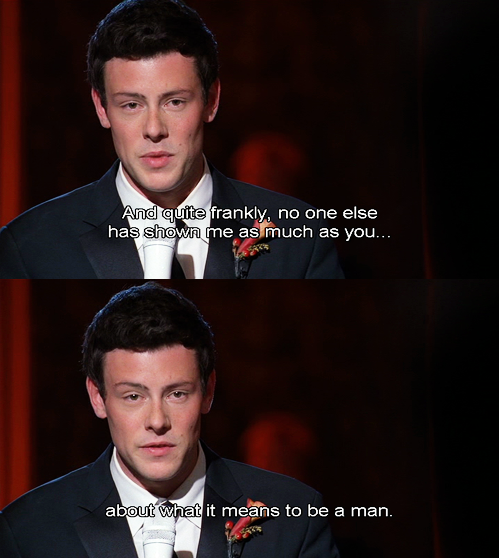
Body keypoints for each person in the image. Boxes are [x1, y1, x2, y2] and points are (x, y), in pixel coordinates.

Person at [0, 0, 343, 279]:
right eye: (131, 105)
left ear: (211, 100)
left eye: (174, 102)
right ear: (102, 108)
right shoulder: (29, 247)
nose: (154, 129)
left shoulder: (300, 235)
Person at [0, 283, 339, 557]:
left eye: (176, 394)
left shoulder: (293, 518)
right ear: (98, 397)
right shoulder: (29, 530)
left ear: (208, 392)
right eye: (133, 396)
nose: (157, 421)